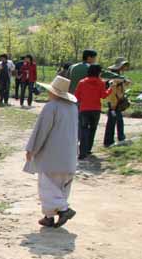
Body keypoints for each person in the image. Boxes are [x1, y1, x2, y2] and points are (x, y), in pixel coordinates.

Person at [25, 77, 80, 228]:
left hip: (52, 154)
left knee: (47, 187)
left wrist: (32, 149)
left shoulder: (52, 107)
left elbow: (41, 131)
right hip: (69, 154)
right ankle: (48, 217)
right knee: (61, 188)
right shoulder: (73, 107)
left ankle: (64, 209)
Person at [74, 64, 112, 159]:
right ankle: (88, 149)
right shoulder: (101, 83)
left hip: (84, 109)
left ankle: (82, 152)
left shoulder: (82, 82)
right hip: (96, 109)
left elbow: (77, 96)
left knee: (84, 129)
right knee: (92, 129)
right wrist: (110, 89)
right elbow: (103, 96)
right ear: (98, 72)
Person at [103, 58, 132, 147]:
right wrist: (113, 105)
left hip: (116, 101)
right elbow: (112, 91)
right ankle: (110, 141)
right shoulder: (115, 77)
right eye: (123, 66)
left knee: (117, 121)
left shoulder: (117, 76)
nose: (124, 68)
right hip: (114, 102)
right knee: (113, 121)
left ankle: (118, 138)